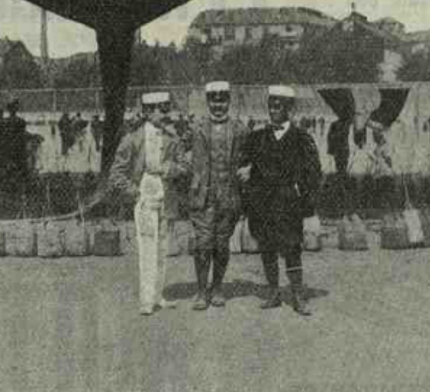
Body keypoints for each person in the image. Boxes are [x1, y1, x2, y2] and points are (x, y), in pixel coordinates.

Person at [238, 85, 322, 316]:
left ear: (289, 108)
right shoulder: (256, 137)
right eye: (271, 105)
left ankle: (297, 295)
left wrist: (307, 206)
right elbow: (243, 164)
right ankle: (273, 292)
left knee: (292, 247)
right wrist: (248, 173)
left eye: (279, 106)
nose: (274, 110)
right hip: (262, 203)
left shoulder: (302, 138)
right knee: (266, 246)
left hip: (288, 204)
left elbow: (313, 174)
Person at [109, 91, 184, 316]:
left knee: (162, 248)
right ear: (148, 112)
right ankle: (146, 299)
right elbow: (116, 173)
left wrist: (172, 169)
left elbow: (184, 165)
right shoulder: (133, 138)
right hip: (144, 196)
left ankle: (158, 295)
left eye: (165, 109)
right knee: (147, 247)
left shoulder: (172, 138)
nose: (163, 114)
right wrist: (134, 191)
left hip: (166, 195)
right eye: (158, 109)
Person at [185, 81, 249, 310]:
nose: (218, 106)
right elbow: (176, 150)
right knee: (203, 245)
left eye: (222, 101)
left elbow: (252, 155)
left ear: (228, 102)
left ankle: (218, 287)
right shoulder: (196, 128)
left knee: (221, 245)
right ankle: (202, 291)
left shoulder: (240, 129)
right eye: (214, 101)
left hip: (229, 196)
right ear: (208, 102)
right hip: (203, 196)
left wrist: (249, 168)